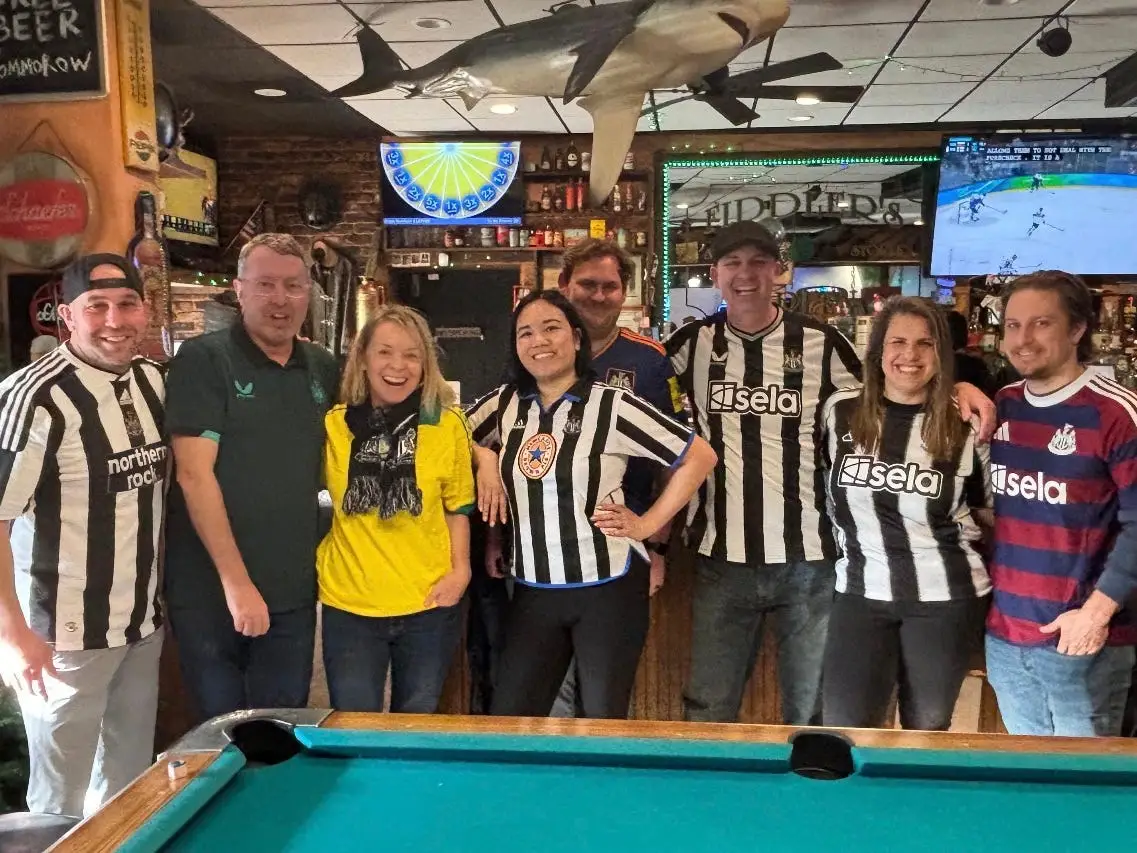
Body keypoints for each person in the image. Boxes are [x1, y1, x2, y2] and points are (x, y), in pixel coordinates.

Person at [666, 220, 994, 725]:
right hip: (720, 556)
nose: (746, 274)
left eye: (759, 262)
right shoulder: (690, 345)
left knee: (815, 712)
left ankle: (814, 798)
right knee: (708, 704)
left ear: (780, 271)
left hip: (813, 561)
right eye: (732, 263)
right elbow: (634, 396)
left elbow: (896, 385)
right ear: (714, 273)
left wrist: (959, 390)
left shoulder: (822, 344)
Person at [466, 291, 716, 719]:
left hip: (608, 585)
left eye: (551, 328)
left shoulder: (611, 405)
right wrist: (485, 457)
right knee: (511, 716)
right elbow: (449, 434)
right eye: (526, 333)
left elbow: (699, 456)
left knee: (602, 717)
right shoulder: (505, 404)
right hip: (532, 587)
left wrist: (647, 525)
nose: (539, 340)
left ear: (577, 339)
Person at [0, 254, 166, 817]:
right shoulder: (33, 397)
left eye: (126, 304)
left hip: (140, 626)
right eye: (97, 307)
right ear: (68, 316)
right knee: (58, 798)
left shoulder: (152, 383)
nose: (114, 320)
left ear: (145, 311)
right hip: (61, 638)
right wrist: (15, 635)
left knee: (126, 785)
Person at [163, 233, 339, 722]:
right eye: (265, 285)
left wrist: (479, 454)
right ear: (239, 290)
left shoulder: (323, 367)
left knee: (283, 734)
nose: (280, 299)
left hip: (292, 591)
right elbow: (195, 477)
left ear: (309, 293)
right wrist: (237, 584)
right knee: (221, 742)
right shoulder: (205, 359)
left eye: (292, 285)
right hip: (212, 593)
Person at [820, 297, 992, 731]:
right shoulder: (840, 410)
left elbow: (990, 508)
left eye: (925, 343)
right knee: (847, 727)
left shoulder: (968, 422)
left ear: (942, 354)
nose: (910, 355)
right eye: (898, 342)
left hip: (943, 599)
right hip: (859, 593)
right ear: (878, 351)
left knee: (926, 730)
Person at [986, 270, 1137, 737]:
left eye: (1041, 324)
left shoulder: (1115, 413)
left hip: (1084, 642)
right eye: (1012, 325)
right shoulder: (1002, 405)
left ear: (1077, 330)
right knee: (1029, 782)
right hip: (1007, 638)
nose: (1023, 339)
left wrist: (1094, 615)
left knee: (1087, 791)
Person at [549, 239, 688, 718]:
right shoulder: (537, 349)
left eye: (611, 286)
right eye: (587, 284)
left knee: (604, 690)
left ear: (624, 293)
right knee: (551, 686)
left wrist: (657, 544)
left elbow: (680, 460)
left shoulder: (649, 360)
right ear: (564, 286)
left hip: (619, 547)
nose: (599, 295)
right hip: (545, 546)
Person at [317, 306, 474, 713]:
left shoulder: (448, 426)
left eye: (412, 355)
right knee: (352, 729)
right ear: (363, 359)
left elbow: (458, 508)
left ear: (425, 366)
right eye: (385, 352)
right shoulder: (333, 425)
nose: (397, 366)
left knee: (415, 727)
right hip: (349, 603)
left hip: (428, 604)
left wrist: (461, 570)